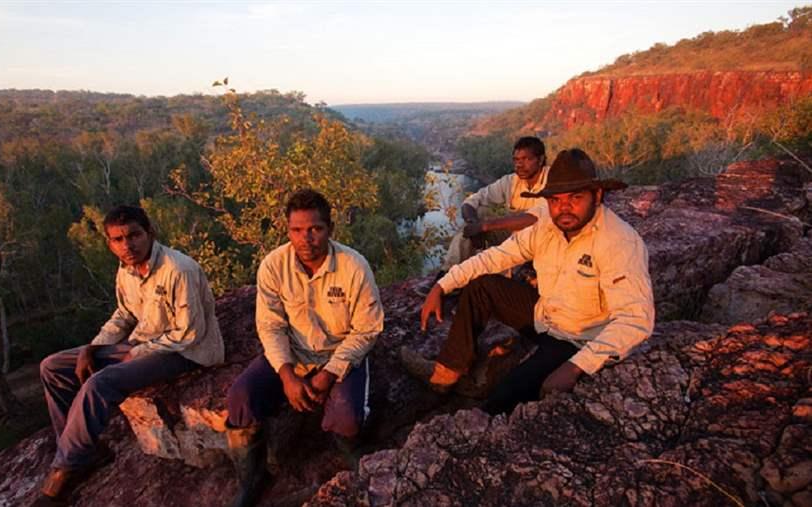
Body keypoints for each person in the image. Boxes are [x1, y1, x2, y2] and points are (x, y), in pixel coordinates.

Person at [406, 149, 654, 415]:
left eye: (575, 197)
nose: (564, 208)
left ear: (597, 195)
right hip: (544, 316)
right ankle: (447, 373)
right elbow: (499, 256)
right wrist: (442, 285)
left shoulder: (618, 242)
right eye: (555, 200)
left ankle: (498, 384)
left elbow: (635, 319)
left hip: (578, 340)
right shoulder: (547, 224)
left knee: (501, 400)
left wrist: (576, 366)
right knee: (483, 287)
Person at [34, 205, 224, 505]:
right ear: (110, 243)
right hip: (147, 343)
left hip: (187, 352)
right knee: (52, 366)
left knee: (100, 384)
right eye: (118, 239)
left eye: (134, 235)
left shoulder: (178, 269)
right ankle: (83, 452)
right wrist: (93, 347)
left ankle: (62, 473)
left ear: (150, 233)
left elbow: (188, 334)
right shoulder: (127, 269)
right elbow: (124, 314)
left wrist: (136, 353)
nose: (127, 245)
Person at [224, 189, 384, 507]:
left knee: (346, 418)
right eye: (297, 230)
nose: (306, 238)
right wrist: (286, 375)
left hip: (340, 353)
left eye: (315, 229)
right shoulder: (273, 266)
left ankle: (360, 464)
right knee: (240, 399)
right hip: (293, 353)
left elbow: (368, 329)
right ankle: (252, 478)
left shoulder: (353, 266)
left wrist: (328, 375)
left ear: (330, 229)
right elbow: (270, 325)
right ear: (287, 230)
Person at [443, 136, 550, 269]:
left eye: (526, 159)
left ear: (540, 160)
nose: (519, 165)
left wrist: (486, 226)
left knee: (483, 225)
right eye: (516, 160)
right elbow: (473, 201)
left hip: (543, 241)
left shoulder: (554, 180)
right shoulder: (511, 181)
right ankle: (446, 275)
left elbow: (537, 218)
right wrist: (474, 224)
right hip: (514, 238)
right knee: (472, 225)